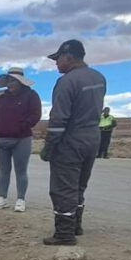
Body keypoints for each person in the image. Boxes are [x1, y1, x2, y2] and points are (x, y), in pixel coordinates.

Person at [40, 39, 107, 246]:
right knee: (79, 184)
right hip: (92, 138)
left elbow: (59, 119)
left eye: (58, 59)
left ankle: (64, 234)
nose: (56, 63)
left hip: (71, 141)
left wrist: (50, 146)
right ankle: (76, 225)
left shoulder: (67, 81)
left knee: (63, 187)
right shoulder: (98, 77)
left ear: (68, 57)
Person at [0, 67, 42, 213]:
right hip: (2, 139)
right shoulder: (2, 98)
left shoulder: (31, 96)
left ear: (21, 82)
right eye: (8, 81)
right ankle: (2, 198)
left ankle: (20, 199)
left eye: (13, 80)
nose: (10, 84)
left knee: (21, 171)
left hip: (22, 139)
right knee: (3, 171)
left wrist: (21, 127)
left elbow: (35, 115)